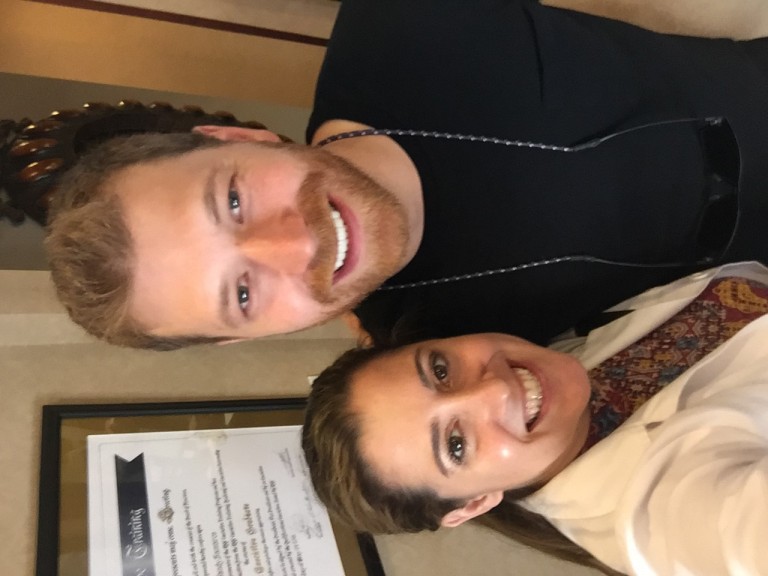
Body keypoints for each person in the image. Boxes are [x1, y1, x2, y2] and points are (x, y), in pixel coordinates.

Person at [45, 0, 768, 350]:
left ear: (238, 138)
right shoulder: (435, 355)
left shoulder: (397, 21)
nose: (293, 243)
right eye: (242, 293)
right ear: (244, 338)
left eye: (232, 201)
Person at [301, 261, 768, 575]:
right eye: (456, 445)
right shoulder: (660, 516)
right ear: (473, 504)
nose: (495, 389)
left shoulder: (561, 354)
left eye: (440, 370)